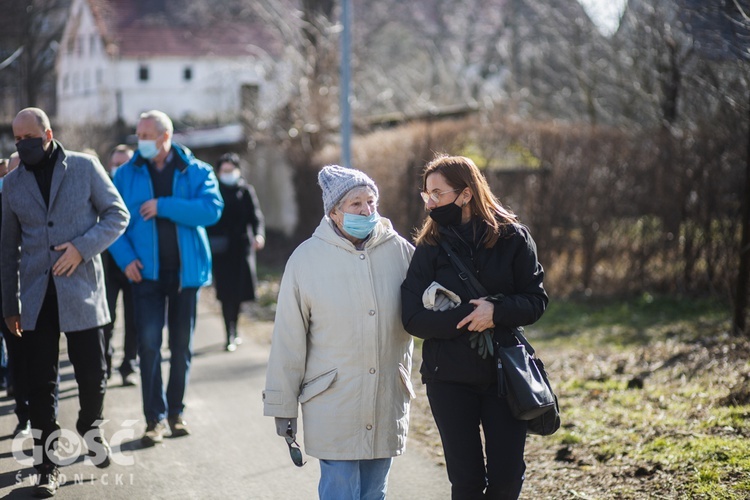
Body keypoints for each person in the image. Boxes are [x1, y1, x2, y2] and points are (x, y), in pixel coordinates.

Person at [400, 155, 548, 500]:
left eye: (438, 193)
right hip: (448, 378)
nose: (431, 202)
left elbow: (535, 300)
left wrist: (496, 311)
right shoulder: (429, 247)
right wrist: (467, 317)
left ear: (466, 194)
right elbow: (411, 317)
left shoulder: (513, 238)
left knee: (507, 479)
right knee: (466, 484)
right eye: (427, 195)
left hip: (504, 377)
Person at [264, 165, 415, 500]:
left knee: (375, 492)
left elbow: (425, 307)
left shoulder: (401, 251)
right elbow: (288, 339)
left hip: (385, 397)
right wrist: (282, 405)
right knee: (341, 492)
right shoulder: (306, 259)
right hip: (333, 401)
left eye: (371, 201)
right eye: (356, 204)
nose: (367, 210)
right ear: (333, 212)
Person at [1, 108, 130, 497]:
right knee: (40, 384)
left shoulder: (85, 167)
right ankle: (46, 466)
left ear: (48, 133)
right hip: (36, 299)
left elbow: (117, 214)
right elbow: (6, 251)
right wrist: (9, 306)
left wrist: (82, 248)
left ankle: (91, 426)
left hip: (82, 292)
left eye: (29, 137)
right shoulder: (11, 185)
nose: (23, 144)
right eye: (16, 138)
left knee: (93, 374)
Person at [108, 110, 223, 446]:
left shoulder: (197, 171)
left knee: (181, 346)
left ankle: (176, 413)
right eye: (138, 134)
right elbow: (111, 219)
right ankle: (154, 419)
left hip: (186, 275)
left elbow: (211, 210)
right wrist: (126, 259)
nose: (140, 140)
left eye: (146, 135)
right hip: (146, 276)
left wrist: (164, 205)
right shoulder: (126, 174)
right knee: (148, 345)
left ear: (165, 137)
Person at [206, 152, 265, 351]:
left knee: (239, 292)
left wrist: (259, 235)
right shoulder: (213, 191)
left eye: (232, 170)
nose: (228, 174)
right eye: (225, 170)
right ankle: (228, 332)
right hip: (221, 249)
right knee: (225, 292)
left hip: (242, 248)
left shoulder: (246, 191)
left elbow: (256, 217)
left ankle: (236, 327)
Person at [0, 154, 32, 437]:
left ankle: (34, 414)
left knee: (30, 356)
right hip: (5, 293)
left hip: (30, 290)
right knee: (16, 356)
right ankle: (24, 413)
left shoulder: (35, 202)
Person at [102, 144, 139, 385]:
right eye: (116, 163)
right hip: (107, 265)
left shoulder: (139, 186)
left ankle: (129, 365)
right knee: (107, 318)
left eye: (124, 163)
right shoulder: (100, 186)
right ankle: (104, 364)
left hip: (135, 263)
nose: (119, 168)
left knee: (134, 317)